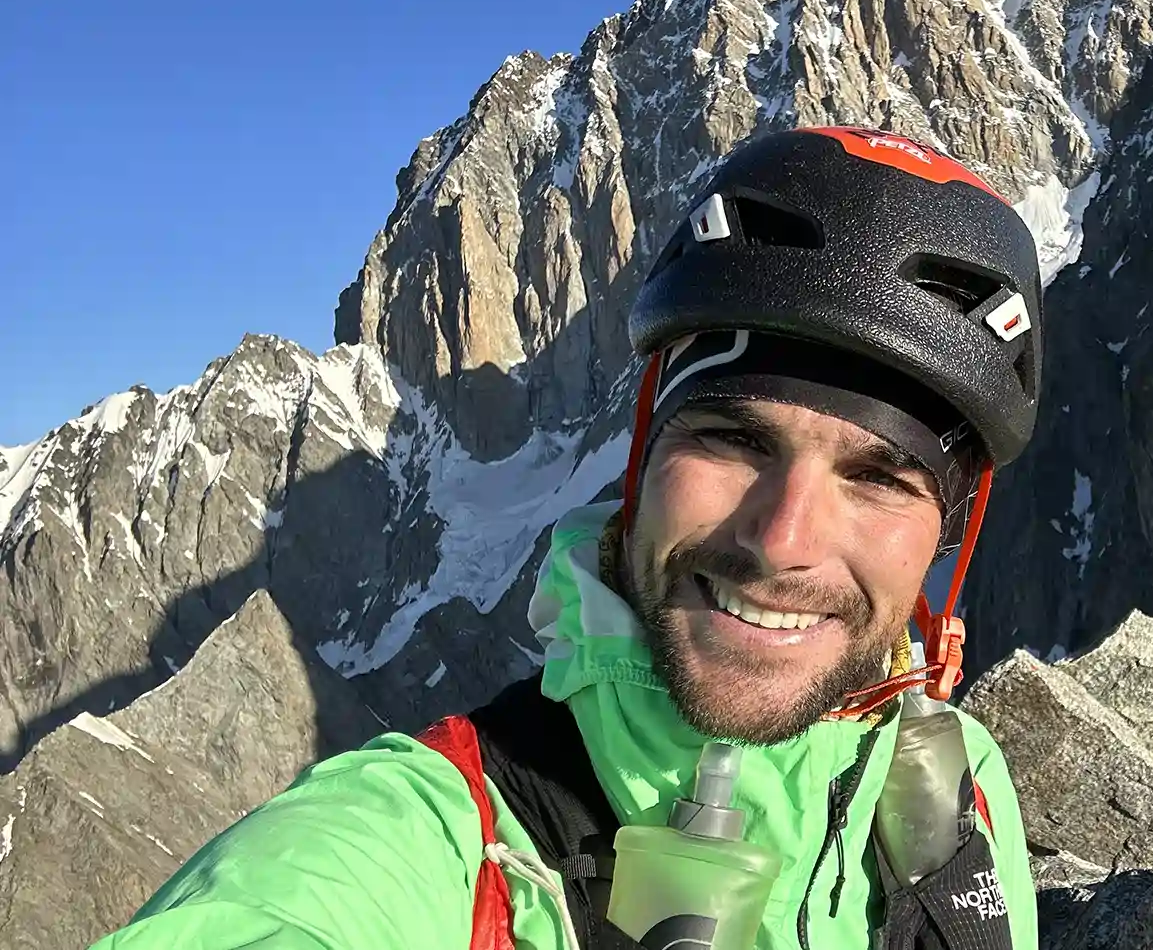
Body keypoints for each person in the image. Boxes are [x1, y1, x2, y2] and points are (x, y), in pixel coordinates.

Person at [94, 126, 1046, 950]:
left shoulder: (965, 794)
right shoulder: (437, 849)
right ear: (639, 456)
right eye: (732, 437)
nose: (784, 540)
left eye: (879, 477)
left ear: (947, 532)